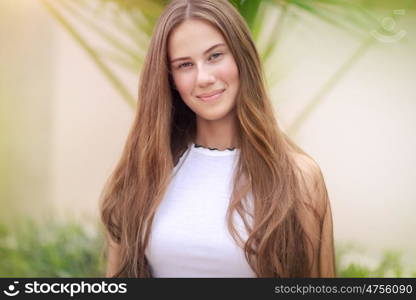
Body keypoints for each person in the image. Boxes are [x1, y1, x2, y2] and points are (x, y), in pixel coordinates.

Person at [100, 0, 336, 278]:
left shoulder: (298, 178)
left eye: (214, 56)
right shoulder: (142, 174)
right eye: (185, 64)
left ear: (240, 56)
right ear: (170, 78)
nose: (203, 78)